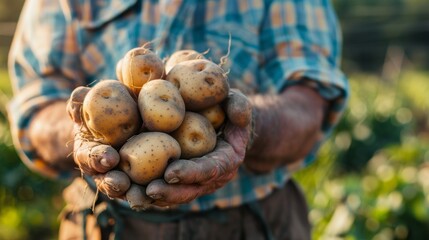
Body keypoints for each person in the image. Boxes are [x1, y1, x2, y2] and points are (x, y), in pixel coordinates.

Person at [8, 0, 348, 239]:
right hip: (105, 224)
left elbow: (308, 103)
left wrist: (248, 123)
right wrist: (81, 131)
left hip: (256, 224)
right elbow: (36, 104)